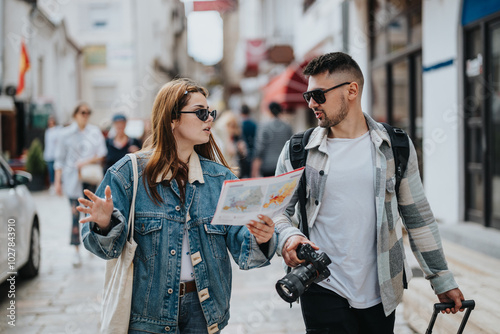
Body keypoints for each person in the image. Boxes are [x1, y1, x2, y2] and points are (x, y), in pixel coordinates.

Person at [274, 52, 465, 334]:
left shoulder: (395, 146)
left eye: (318, 94)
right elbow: (276, 211)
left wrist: (441, 279)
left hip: (381, 292)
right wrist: (290, 236)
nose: (312, 103)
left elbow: (417, 217)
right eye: (308, 96)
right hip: (321, 287)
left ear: (352, 90)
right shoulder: (299, 150)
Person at [77, 78, 277, 333]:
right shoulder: (128, 174)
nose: (209, 119)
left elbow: (244, 250)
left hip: (205, 313)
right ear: (172, 118)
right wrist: (105, 224)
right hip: (147, 316)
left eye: (210, 113)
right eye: (200, 112)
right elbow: (106, 251)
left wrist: (262, 237)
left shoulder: (222, 179)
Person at [54, 103, 107, 267]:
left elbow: (102, 153)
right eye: (83, 112)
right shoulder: (65, 134)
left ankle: (90, 246)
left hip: (89, 179)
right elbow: (59, 160)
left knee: (90, 215)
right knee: (74, 216)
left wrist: (85, 162)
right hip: (72, 181)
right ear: (75, 114)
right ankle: (76, 250)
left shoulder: (94, 132)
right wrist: (57, 182)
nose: (86, 115)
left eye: (88, 112)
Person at [251, 102, 293, 177]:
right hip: (284, 165)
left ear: (269, 111)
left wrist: (255, 169)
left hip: (267, 166)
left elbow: (260, 148)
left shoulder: (264, 126)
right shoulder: (287, 127)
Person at [212, 111, 247, 177]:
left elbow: (243, 155)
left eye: (233, 126)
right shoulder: (221, 137)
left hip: (235, 170)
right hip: (225, 171)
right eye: (229, 125)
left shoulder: (236, 137)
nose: (231, 129)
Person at [43, 115, 61, 194]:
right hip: (49, 155)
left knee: (57, 171)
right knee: (50, 171)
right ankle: (52, 185)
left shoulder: (57, 130)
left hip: (56, 155)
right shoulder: (47, 131)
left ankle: (58, 185)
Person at [239, 104, 257, 178]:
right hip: (252, 151)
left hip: (242, 153)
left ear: (241, 113)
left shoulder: (240, 125)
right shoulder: (254, 124)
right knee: (250, 175)